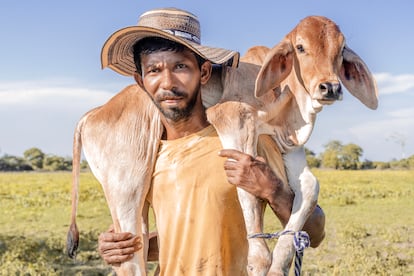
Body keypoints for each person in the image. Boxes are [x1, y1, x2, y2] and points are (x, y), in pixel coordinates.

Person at [98, 7, 325, 275]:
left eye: (180, 67)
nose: (167, 82)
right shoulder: (149, 158)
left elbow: (315, 233)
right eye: (154, 70)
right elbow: (182, 241)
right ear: (140, 81)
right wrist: (122, 248)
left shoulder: (249, 143)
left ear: (204, 72)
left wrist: (273, 190)